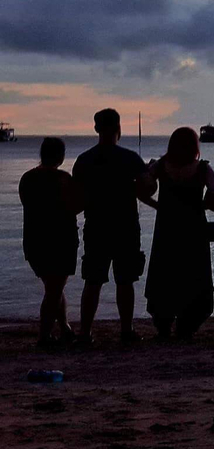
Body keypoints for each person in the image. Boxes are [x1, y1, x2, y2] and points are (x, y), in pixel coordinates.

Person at [73, 108, 151, 344]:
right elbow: (148, 189)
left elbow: (76, 197)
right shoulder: (130, 158)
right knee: (125, 281)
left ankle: (85, 333)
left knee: (93, 281)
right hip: (125, 226)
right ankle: (126, 331)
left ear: (96, 128)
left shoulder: (84, 160)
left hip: (96, 226)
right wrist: (151, 173)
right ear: (119, 128)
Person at [141, 128, 214, 339]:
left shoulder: (160, 166)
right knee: (194, 273)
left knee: (165, 273)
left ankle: (164, 324)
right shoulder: (202, 168)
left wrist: (157, 205)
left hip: (167, 227)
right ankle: (187, 325)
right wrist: (203, 205)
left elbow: (142, 189)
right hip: (193, 227)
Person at [20, 138, 82, 347]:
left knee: (53, 287)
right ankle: (44, 336)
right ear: (61, 156)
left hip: (34, 240)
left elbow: (28, 204)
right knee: (54, 289)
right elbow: (74, 206)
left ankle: (64, 327)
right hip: (60, 240)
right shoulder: (63, 178)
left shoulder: (27, 178)